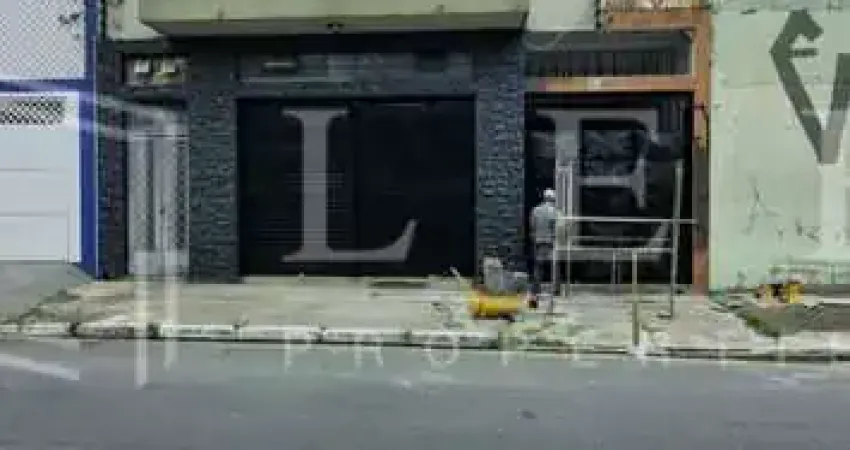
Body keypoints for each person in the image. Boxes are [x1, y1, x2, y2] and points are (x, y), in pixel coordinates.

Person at [528, 188, 558, 308]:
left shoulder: (535, 210)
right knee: (554, 266)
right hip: (550, 243)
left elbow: (532, 226)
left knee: (538, 267)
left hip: (538, 242)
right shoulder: (554, 212)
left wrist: (535, 239)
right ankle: (555, 290)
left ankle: (535, 291)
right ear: (553, 199)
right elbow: (556, 228)